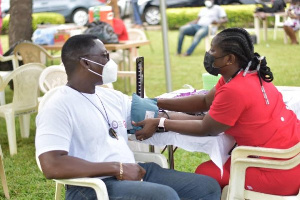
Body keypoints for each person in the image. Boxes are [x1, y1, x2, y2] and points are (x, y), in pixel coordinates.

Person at [35, 34, 221, 200]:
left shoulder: (109, 96)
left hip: (132, 171)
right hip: (91, 186)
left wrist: (208, 120)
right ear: (85, 63)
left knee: (206, 188)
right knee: (164, 196)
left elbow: (158, 114)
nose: (110, 62)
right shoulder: (58, 106)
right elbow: (51, 164)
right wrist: (117, 168)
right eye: (104, 56)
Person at [133, 28, 300, 196]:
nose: (208, 53)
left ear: (229, 59)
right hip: (286, 159)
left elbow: (207, 127)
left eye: (213, 50)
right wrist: (156, 102)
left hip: (277, 170)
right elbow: (204, 101)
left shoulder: (235, 89)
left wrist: (161, 123)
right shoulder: (246, 74)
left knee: (204, 175)